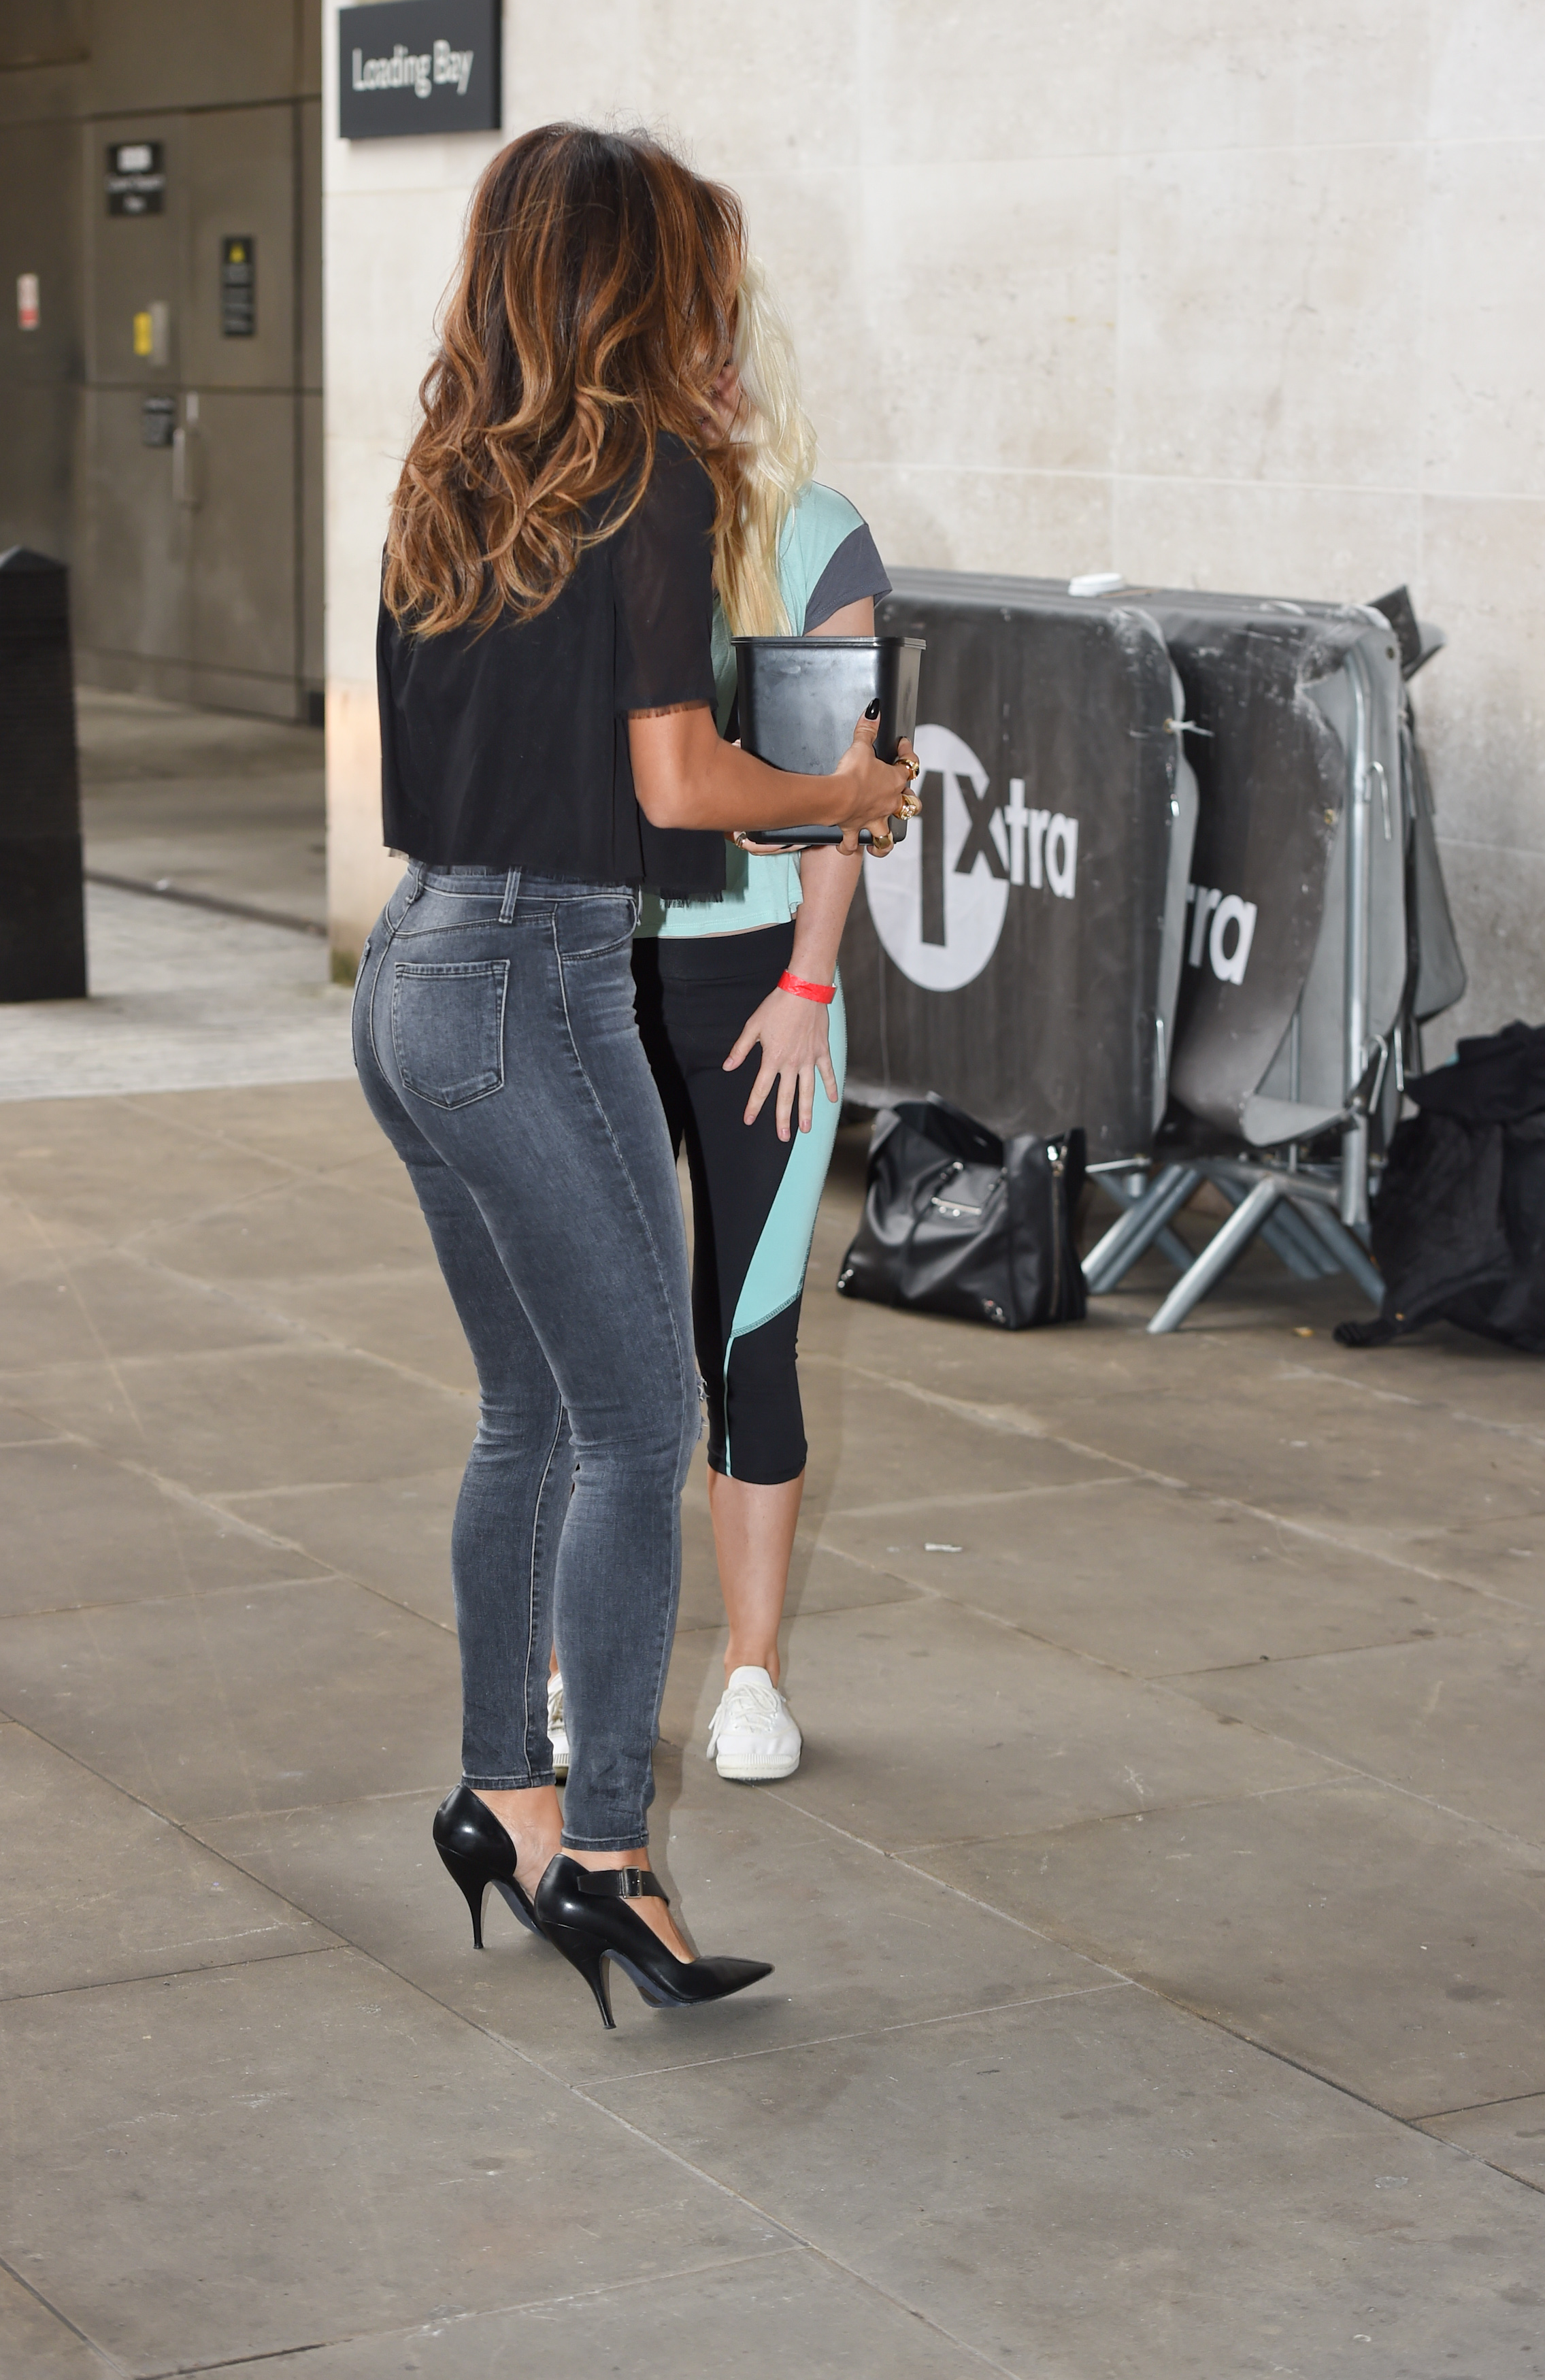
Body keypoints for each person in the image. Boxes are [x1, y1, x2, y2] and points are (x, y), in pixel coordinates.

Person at [351, 125, 915, 2028]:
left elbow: (445, 778)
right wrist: (844, 790)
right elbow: (678, 781)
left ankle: (502, 1784)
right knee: (637, 1421)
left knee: (527, 1412)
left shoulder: (449, 471)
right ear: (637, 281)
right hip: (536, 979)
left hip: (418, 973)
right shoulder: (657, 474)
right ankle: (604, 1850)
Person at [547, 259, 884, 1789]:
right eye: (690, 354)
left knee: (746, 1332)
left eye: (730, 349)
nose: (722, 375)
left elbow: (841, 791)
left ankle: (751, 1673)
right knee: (589, 1349)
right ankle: (568, 1668)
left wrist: (811, 983)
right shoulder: (591, 530)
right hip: (593, 973)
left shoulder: (816, 536)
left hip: (759, 988)